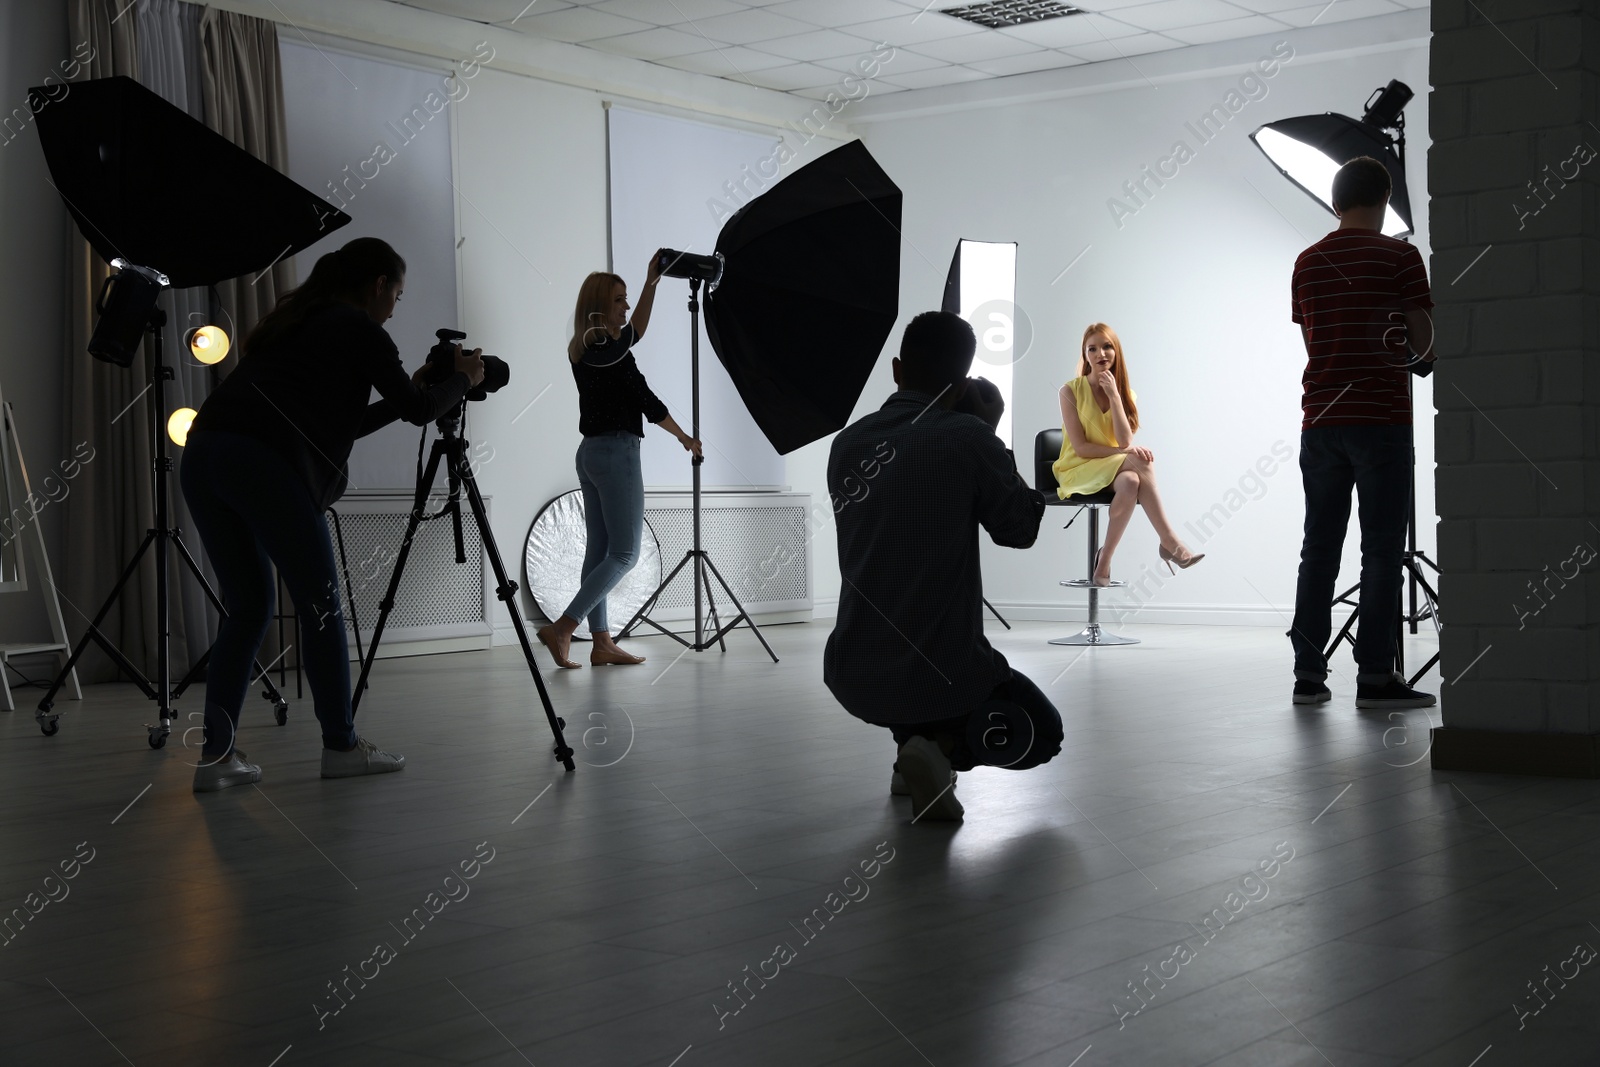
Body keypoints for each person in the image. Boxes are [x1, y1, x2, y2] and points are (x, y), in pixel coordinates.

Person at [181, 237, 485, 792]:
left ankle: (216, 757)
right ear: (376, 286)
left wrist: (412, 391)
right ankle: (341, 747)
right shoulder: (359, 327)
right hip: (260, 463)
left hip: (204, 455)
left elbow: (339, 426)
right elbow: (421, 412)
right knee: (322, 608)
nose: (395, 306)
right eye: (396, 294)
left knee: (247, 608)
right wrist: (464, 379)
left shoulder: (296, 322)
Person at [824, 311, 1063, 822]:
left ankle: (910, 754)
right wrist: (990, 434)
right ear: (964, 383)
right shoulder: (966, 438)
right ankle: (941, 751)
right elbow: (1019, 531)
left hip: (854, 668)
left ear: (896, 370)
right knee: (1042, 735)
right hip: (939, 676)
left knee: (903, 613)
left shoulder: (848, 444)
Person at [1288, 156, 1436, 709]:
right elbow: (1425, 346)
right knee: (1380, 551)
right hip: (1382, 421)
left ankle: (1308, 675)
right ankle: (1375, 677)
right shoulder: (1401, 257)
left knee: (1318, 550)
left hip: (1321, 421)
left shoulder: (1306, 262)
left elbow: (1317, 340)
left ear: (1335, 201)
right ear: (1386, 199)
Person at [536, 259, 701, 670]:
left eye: (627, 299)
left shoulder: (589, 350)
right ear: (600, 307)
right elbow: (647, 401)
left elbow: (635, 331)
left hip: (590, 455)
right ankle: (564, 627)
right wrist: (684, 437)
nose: (626, 308)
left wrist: (651, 283)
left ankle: (602, 642)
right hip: (616, 454)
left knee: (599, 551)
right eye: (619, 300)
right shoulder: (612, 357)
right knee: (625, 553)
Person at [1053, 323, 1202, 584]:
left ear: (1116, 351)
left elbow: (1124, 440)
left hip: (1111, 469)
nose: (1101, 353)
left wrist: (1114, 395)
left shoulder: (1125, 394)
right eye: (1093, 349)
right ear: (1085, 355)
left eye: (1107, 346)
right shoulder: (1069, 391)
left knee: (1132, 480)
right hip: (1078, 467)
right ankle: (1169, 540)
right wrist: (1127, 451)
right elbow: (1082, 448)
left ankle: (1105, 558)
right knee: (1138, 459)